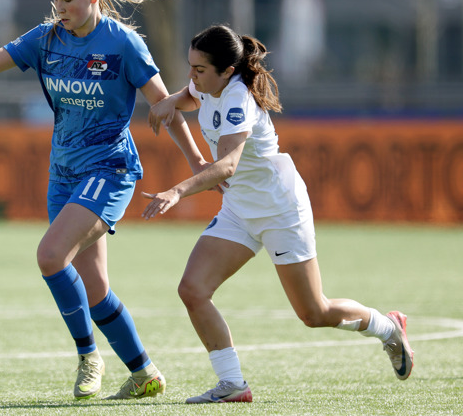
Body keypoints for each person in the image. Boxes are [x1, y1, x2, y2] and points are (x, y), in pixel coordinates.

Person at [0, 0, 207, 400]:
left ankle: (88, 355)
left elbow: (166, 106)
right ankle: (143, 373)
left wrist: (197, 161)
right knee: (95, 290)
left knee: (50, 256)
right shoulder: (46, 38)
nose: (60, 8)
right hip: (63, 175)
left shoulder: (123, 43)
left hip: (109, 170)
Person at [142, 24, 414, 404]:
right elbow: (191, 94)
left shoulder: (238, 98)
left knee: (314, 312)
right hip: (240, 207)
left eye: (199, 69)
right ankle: (232, 384)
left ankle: (388, 328)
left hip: (279, 208)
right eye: (190, 66)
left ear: (228, 71)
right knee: (193, 290)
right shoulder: (207, 83)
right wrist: (171, 100)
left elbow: (227, 166)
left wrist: (176, 191)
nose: (192, 75)